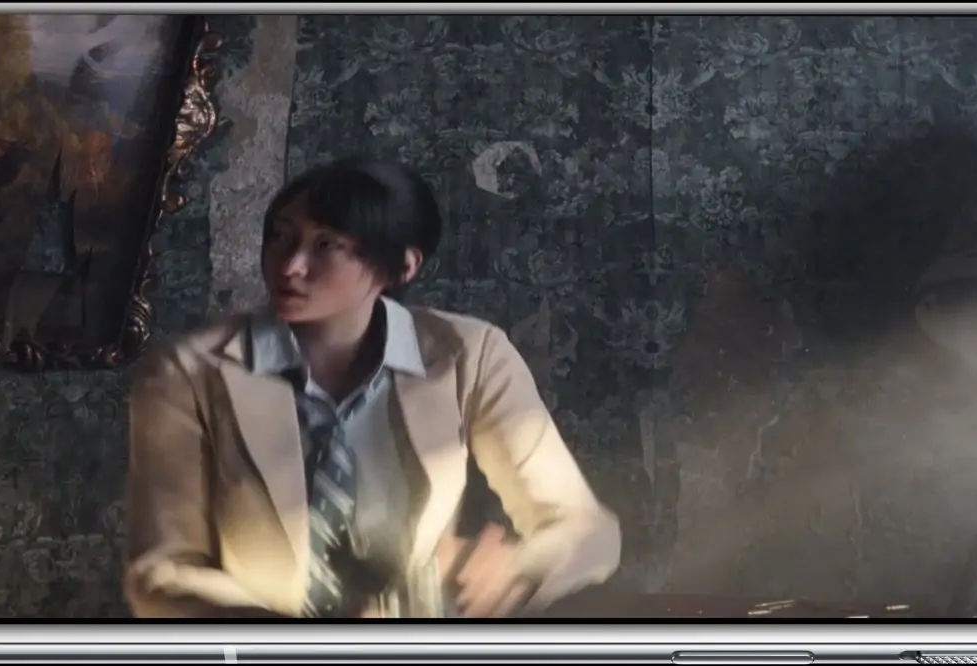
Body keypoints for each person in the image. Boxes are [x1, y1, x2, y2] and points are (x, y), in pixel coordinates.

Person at [122, 156, 622, 619]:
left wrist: (517, 569)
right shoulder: (188, 371)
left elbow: (586, 529)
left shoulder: (470, 355)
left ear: (403, 266)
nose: (290, 265)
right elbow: (163, 570)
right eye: (280, 237)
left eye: (326, 245)